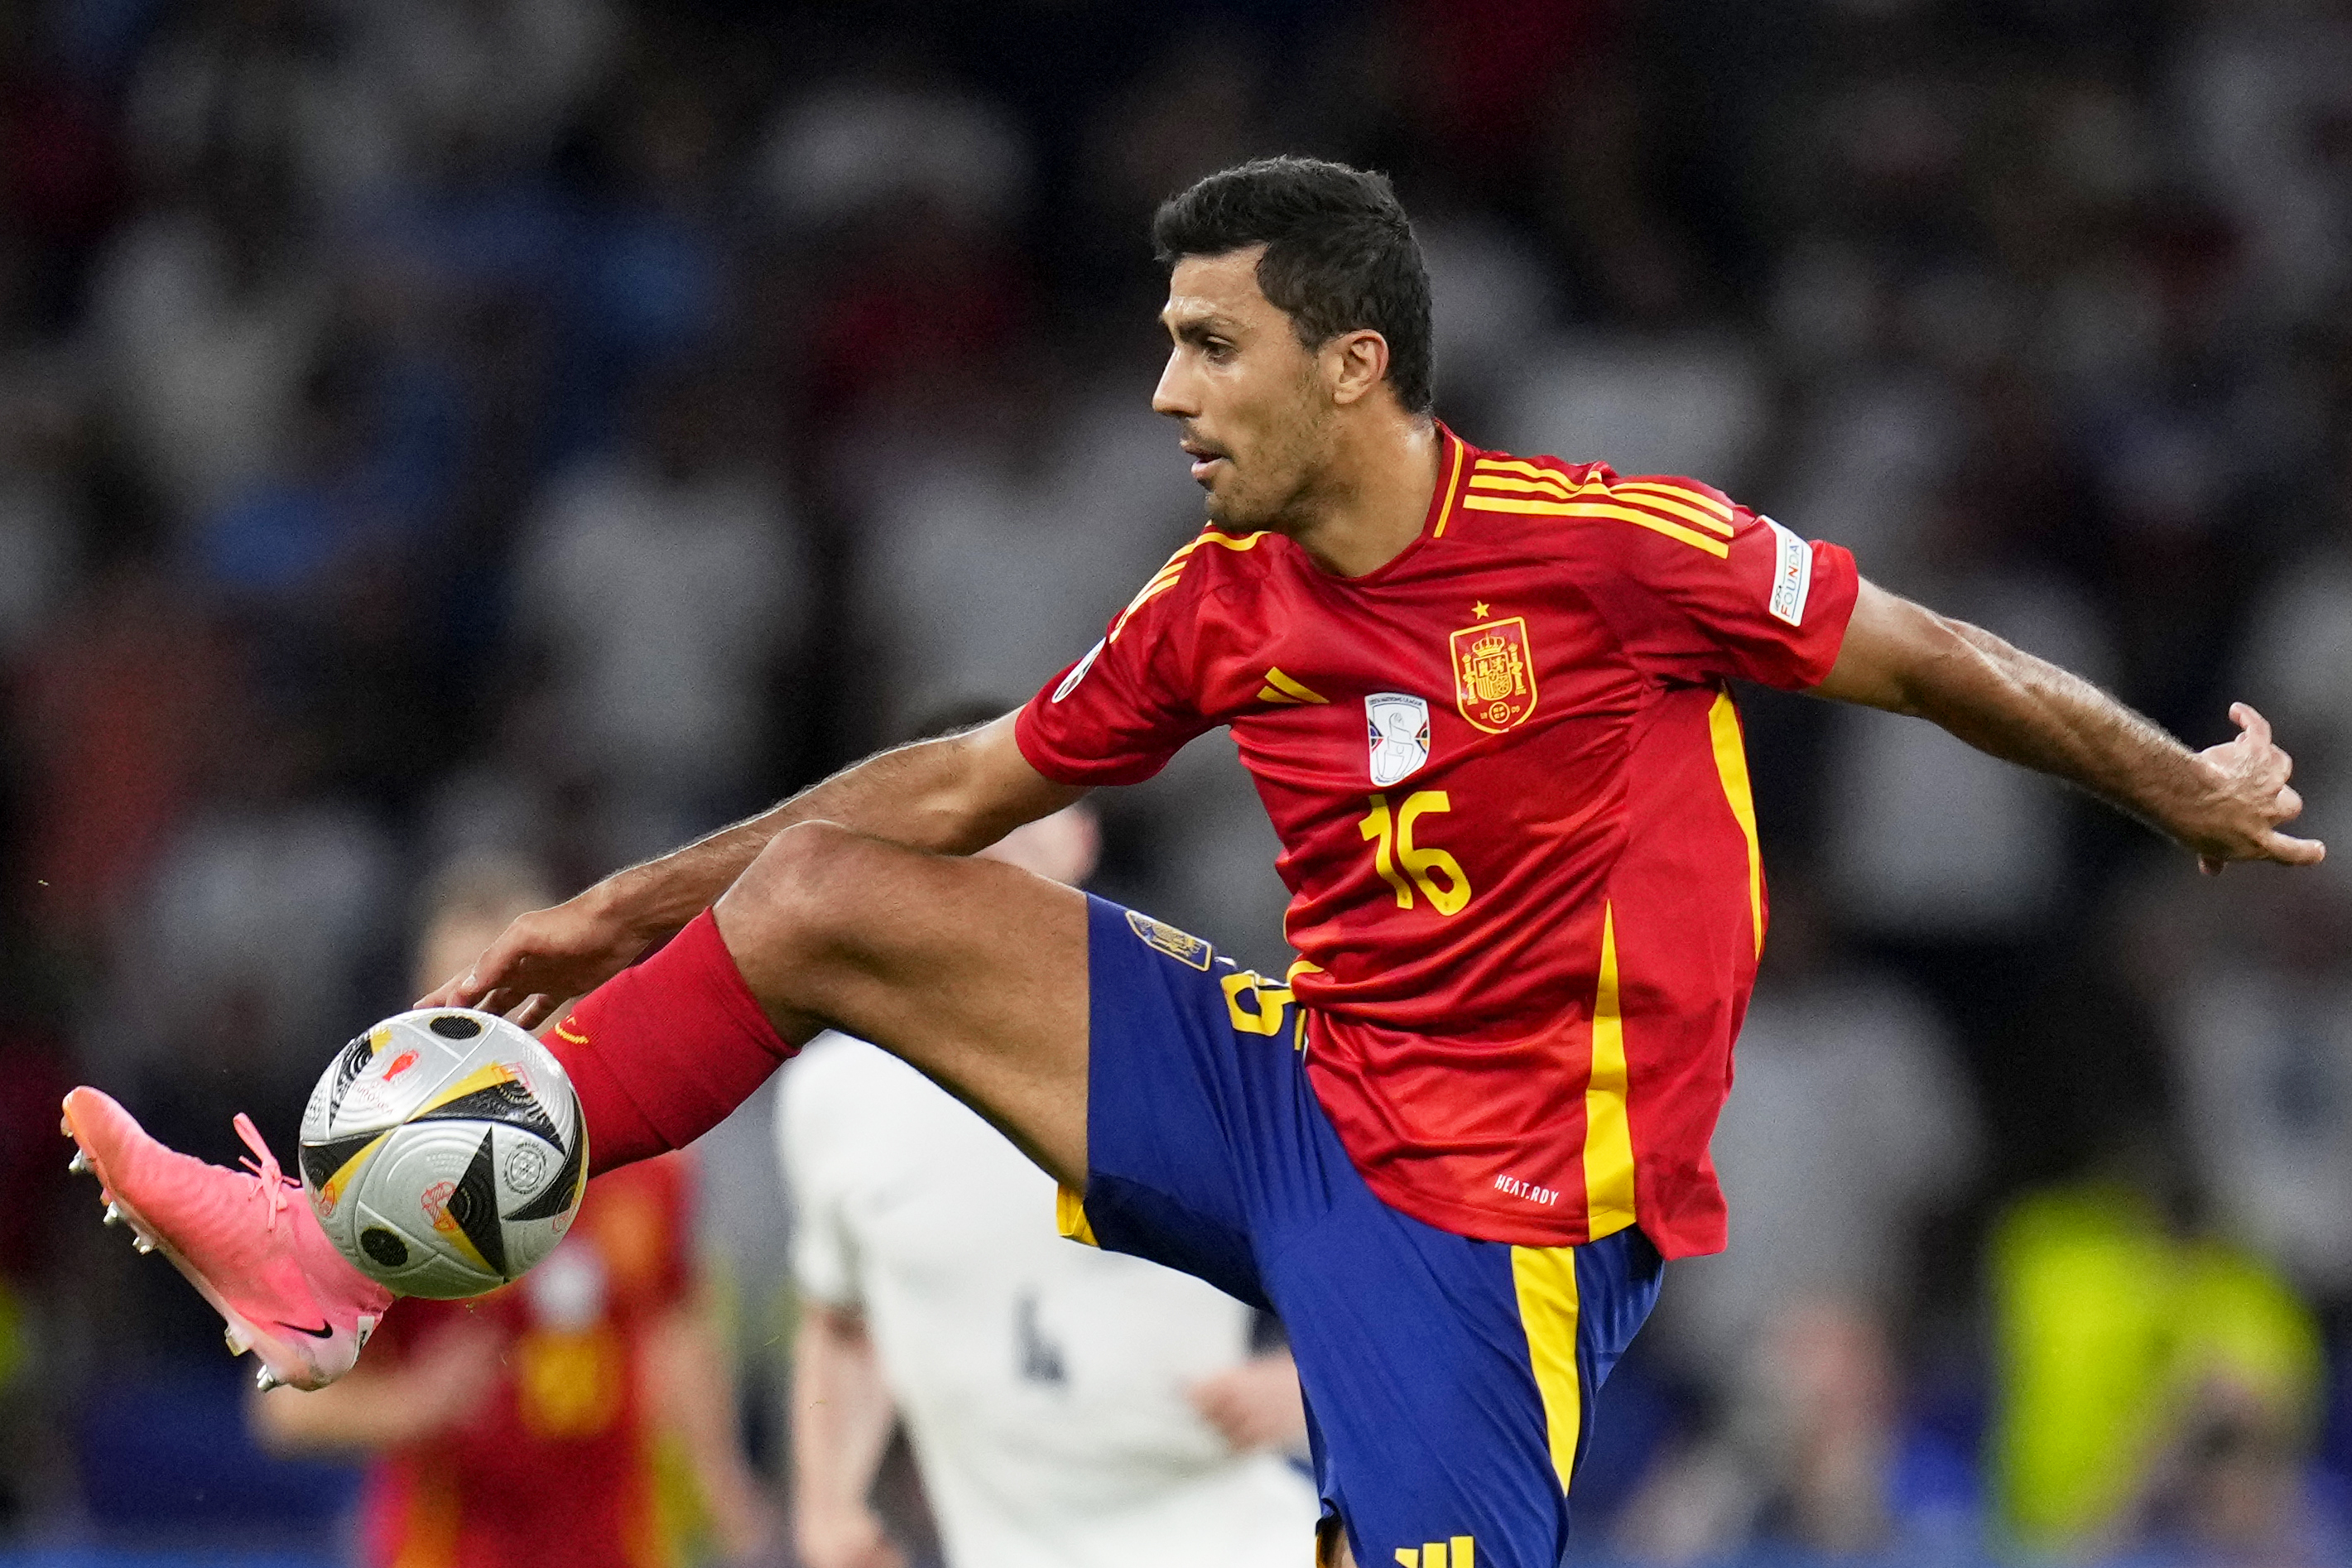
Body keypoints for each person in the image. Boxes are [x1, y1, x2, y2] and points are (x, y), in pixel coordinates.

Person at [62, 157, 2321, 1568]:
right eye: (1163, 347)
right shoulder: (1218, 601)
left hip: (1497, 1223)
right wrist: (619, 903)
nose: (1165, 393)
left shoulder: (1613, 550)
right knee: (822, 899)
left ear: (1350, 365)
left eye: (1208, 347)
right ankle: (328, 1258)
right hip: (1290, 1087)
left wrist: (2179, 787)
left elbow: (1923, 654)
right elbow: (957, 786)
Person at [778, 772, 1316, 1568]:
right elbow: (842, 1318)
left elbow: (1387, 1241)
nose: (996, 849)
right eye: (966, 827)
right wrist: (828, 1510)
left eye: (1023, 817)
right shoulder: (836, 1092)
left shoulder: (1197, 1045)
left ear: (1080, 840)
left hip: (1229, 1533)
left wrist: (1312, 1388)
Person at [245, 854, 775, 1568]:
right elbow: (281, 1409)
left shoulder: (652, 1169)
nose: (492, 1032)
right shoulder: (372, 1189)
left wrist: (723, 1483)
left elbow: (671, 1326)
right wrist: (414, 1405)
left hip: (616, 1550)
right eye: (468, 1010)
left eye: (518, 997)